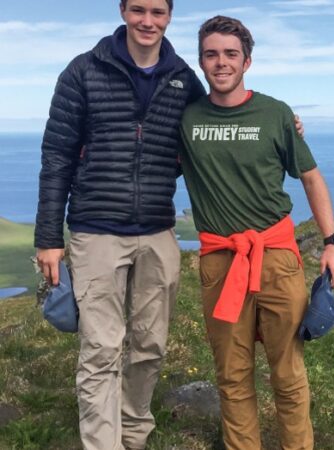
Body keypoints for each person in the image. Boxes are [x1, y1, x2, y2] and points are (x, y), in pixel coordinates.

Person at [33, 0, 206, 448]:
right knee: (101, 351)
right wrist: (49, 238)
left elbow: (208, 137)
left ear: (170, 16)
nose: (147, 21)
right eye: (138, 10)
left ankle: (133, 432)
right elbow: (56, 158)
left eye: (158, 12)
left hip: (158, 230)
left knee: (150, 347)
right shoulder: (83, 71)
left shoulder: (185, 79)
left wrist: (286, 126)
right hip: (95, 231)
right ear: (123, 10)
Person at [179, 15, 334, 450]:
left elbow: (310, 177)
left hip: (275, 258)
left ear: (246, 61)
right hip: (219, 262)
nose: (221, 62)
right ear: (200, 62)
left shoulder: (275, 114)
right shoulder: (186, 119)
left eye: (230, 54)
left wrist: (332, 243)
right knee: (232, 377)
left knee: (288, 374)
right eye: (211, 54)